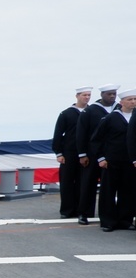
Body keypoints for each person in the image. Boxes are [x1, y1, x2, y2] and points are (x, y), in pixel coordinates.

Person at [89, 87, 136, 232]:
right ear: (121, 102)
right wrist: (101, 158)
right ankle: (108, 221)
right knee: (108, 191)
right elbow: (96, 139)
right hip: (112, 160)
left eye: (135, 99)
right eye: (130, 99)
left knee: (128, 191)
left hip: (130, 160)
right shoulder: (111, 118)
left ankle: (125, 220)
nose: (133, 102)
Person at [76, 84, 119, 225]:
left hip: (112, 154)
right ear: (102, 95)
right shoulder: (90, 111)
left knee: (110, 186)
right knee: (88, 184)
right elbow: (81, 133)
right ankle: (84, 213)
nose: (112, 96)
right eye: (109, 94)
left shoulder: (118, 109)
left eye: (114, 94)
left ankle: (110, 214)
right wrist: (82, 154)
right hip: (92, 153)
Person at [52, 86, 91, 219]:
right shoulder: (66, 114)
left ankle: (83, 210)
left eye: (88, 95)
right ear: (77, 96)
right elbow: (58, 134)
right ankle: (67, 210)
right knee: (67, 182)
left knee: (84, 182)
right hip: (69, 153)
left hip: (87, 153)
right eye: (84, 95)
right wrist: (59, 153)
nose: (86, 97)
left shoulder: (92, 112)